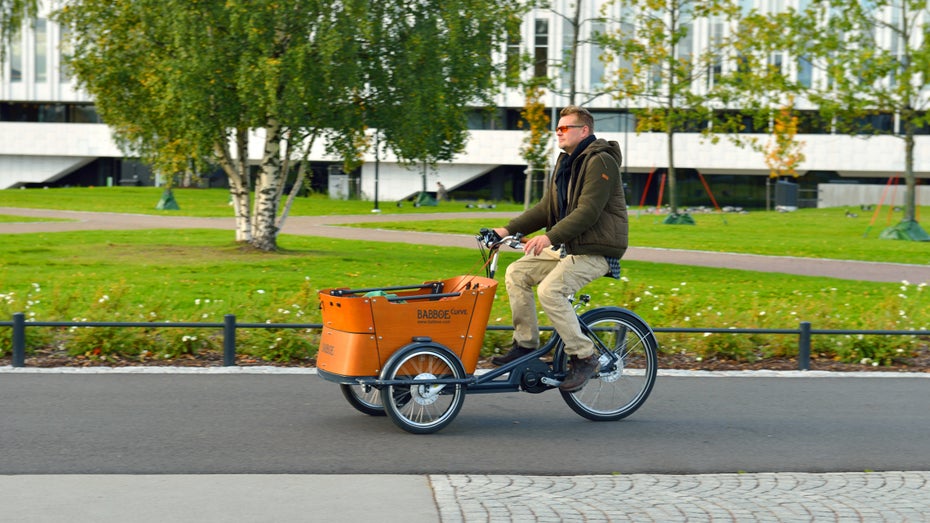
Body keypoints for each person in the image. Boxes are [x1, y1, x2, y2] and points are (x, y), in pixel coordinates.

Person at [488, 105, 628, 392]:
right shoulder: (566, 162)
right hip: (570, 247)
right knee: (517, 273)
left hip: (596, 248)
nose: (559, 133)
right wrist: (505, 231)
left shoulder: (601, 162)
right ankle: (526, 346)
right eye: (558, 129)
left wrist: (549, 238)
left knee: (550, 291)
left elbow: (588, 211)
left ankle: (584, 356)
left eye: (565, 128)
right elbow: (546, 208)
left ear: (584, 130)